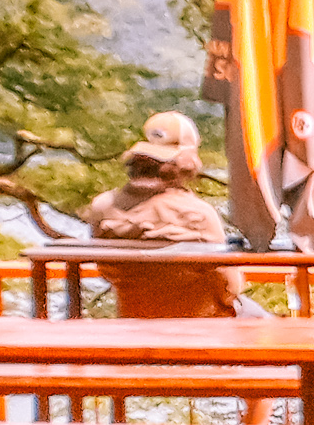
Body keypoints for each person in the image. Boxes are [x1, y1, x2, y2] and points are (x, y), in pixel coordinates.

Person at [83, 111, 249, 319]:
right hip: (201, 325)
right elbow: (229, 287)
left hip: (133, 320)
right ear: (186, 162)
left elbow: (105, 270)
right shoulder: (198, 214)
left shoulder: (103, 207)